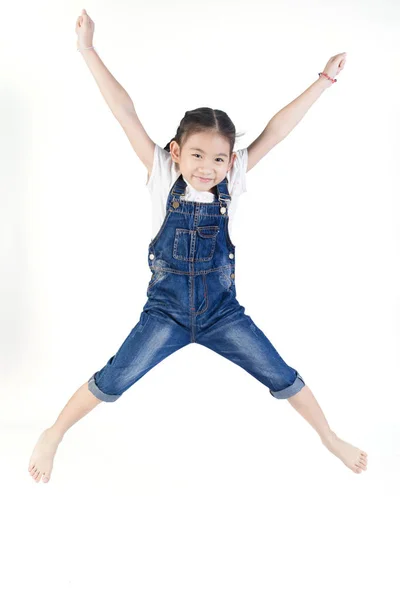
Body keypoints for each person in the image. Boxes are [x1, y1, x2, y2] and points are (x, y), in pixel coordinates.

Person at [28, 9, 368, 483]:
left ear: (231, 160)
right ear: (175, 152)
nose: (208, 167)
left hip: (221, 313)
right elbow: (123, 110)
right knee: (114, 380)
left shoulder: (233, 178)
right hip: (165, 313)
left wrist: (323, 80)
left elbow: (278, 129)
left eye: (219, 158)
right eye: (197, 155)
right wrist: (88, 50)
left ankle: (329, 437)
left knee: (281, 374)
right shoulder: (162, 175)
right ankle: (54, 432)